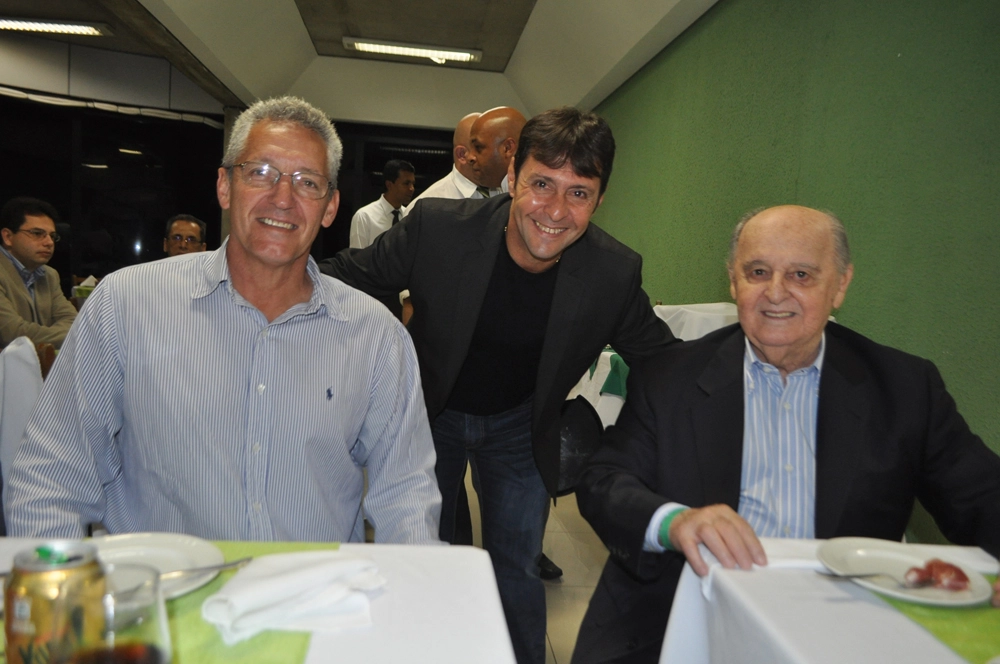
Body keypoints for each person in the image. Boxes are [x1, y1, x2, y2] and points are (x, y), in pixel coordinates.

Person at [321, 107, 675, 664]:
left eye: (578, 193)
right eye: (541, 184)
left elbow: (664, 360)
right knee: (424, 558)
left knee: (516, 569)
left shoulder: (612, 272)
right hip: (428, 415)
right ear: (512, 179)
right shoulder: (438, 228)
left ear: (600, 199)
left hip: (519, 423)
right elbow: (343, 276)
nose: (556, 212)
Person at [5, 96, 441, 545]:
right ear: (224, 186)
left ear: (329, 207)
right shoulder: (126, 306)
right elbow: (52, 477)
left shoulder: (375, 336)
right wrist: (56, 600)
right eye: (261, 173)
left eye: (307, 182)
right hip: (161, 602)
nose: (283, 198)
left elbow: (406, 496)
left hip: (312, 603)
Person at [573, 205, 1000, 663]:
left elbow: (982, 493)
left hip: (837, 629)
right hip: (683, 614)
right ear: (733, 281)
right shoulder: (669, 377)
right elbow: (605, 481)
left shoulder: (904, 388)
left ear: (840, 285)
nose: (776, 293)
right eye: (757, 271)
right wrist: (675, 522)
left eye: (801, 275)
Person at [0, 197, 77, 349]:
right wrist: (74, 335)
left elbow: (72, 320)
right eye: (37, 233)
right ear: (8, 237)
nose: (49, 242)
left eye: (52, 236)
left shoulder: (49, 275)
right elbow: (13, 334)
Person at [407, 112, 483, 207]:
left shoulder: (504, 193)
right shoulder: (425, 208)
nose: (493, 155)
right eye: (481, 148)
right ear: (462, 155)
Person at [349, 159, 416, 249]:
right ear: (389, 185)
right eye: (406, 183)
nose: (411, 188)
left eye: (413, 183)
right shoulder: (365, 216)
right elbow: (356, 259)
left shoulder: (410, 216)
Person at [466, 106, 527, 195]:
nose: (469, 157)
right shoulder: (497, 188)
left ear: (508, 148)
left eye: (478, 147)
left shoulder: (530, 195)